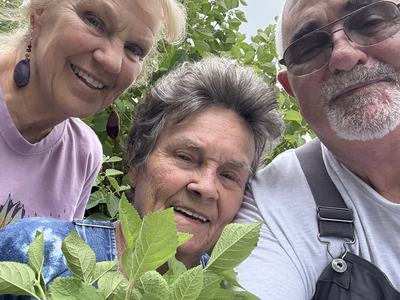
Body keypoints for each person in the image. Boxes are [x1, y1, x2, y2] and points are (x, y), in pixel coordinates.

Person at [0, 57, 284, 289]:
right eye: (186, 157)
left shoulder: (236, 290)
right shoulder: (34, 252)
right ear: (137, 160)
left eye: (229, 176)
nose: (206, 187)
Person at [235, 0, 400, 299]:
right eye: (309, 48)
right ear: (290, 88)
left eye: (371, 21)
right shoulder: (271, 205)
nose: (344, 56)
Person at [0, 0, 186, 226]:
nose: (112, 62)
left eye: (134, 49)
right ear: (39, 12)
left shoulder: (82, 154)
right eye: (94, 21)